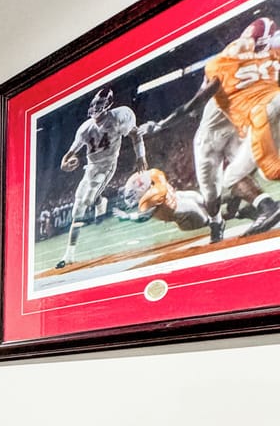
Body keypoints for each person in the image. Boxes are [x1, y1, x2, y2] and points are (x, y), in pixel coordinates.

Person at [139, 17, 280, 241]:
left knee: (238, 175)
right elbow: (198, 101)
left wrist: (162, 124)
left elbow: (195, 102)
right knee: (213, 192)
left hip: (246, 124)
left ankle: (263, 207)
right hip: (214, 135)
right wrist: (162, 124)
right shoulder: (244, 62)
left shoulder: (244, 62)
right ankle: (220, 220)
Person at [57, 87, 147, 269]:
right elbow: (68, 155)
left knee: (88, 198)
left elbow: (135, 133)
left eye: (100, 103)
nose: (96, 107)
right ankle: (69, 254)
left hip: (107, 167)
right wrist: (64, 164)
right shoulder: (85, 128)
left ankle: (98, 200)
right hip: (90, 168)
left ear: (108, 104)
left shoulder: (118, 117)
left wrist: (140, 156)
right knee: (77, 208)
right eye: (95, 104)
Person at [121, 168, 209, 231]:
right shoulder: (149, 202)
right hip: (183, 216)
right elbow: (144, 216)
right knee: (194, 209)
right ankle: (212, 223)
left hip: (178, 200)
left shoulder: (155, 180)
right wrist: (129, 217)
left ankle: (213, 214)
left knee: (197, 197)